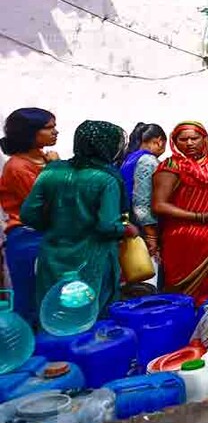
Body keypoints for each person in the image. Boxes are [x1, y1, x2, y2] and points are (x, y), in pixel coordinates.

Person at [21, 121, 138, 315]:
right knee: (92, 314)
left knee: (57, 312)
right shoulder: (106, 178)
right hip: (93, 258)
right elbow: (107, 225)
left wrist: (58, 225)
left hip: (53, 257)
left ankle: (54, 347)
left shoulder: (51, 171)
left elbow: (28, 214)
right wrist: (127, 229)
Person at [152, 122, 208, 303]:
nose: (189, 143)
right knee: (184, 297)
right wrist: (201, 217)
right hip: (184, 240)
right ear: (175, 142)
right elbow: (159, 205)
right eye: (183, 139)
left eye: (194, 138)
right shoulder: (171, 165)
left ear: (204, 139)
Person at [0, 108, 58, 324]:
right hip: (29, 238)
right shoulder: (17, 167)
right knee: (32, 300)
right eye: (49, 128)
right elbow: (43, 205)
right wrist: (54, 169)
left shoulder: (44, 158)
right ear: (30, 132)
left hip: (49, 235)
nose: (55, 132)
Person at [120, 123, 167, 256]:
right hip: (141, 228)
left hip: (128, 221)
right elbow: (142, 201)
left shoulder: (128, 158)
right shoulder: (148, 161)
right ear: (159, 141)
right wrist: (151, 235)